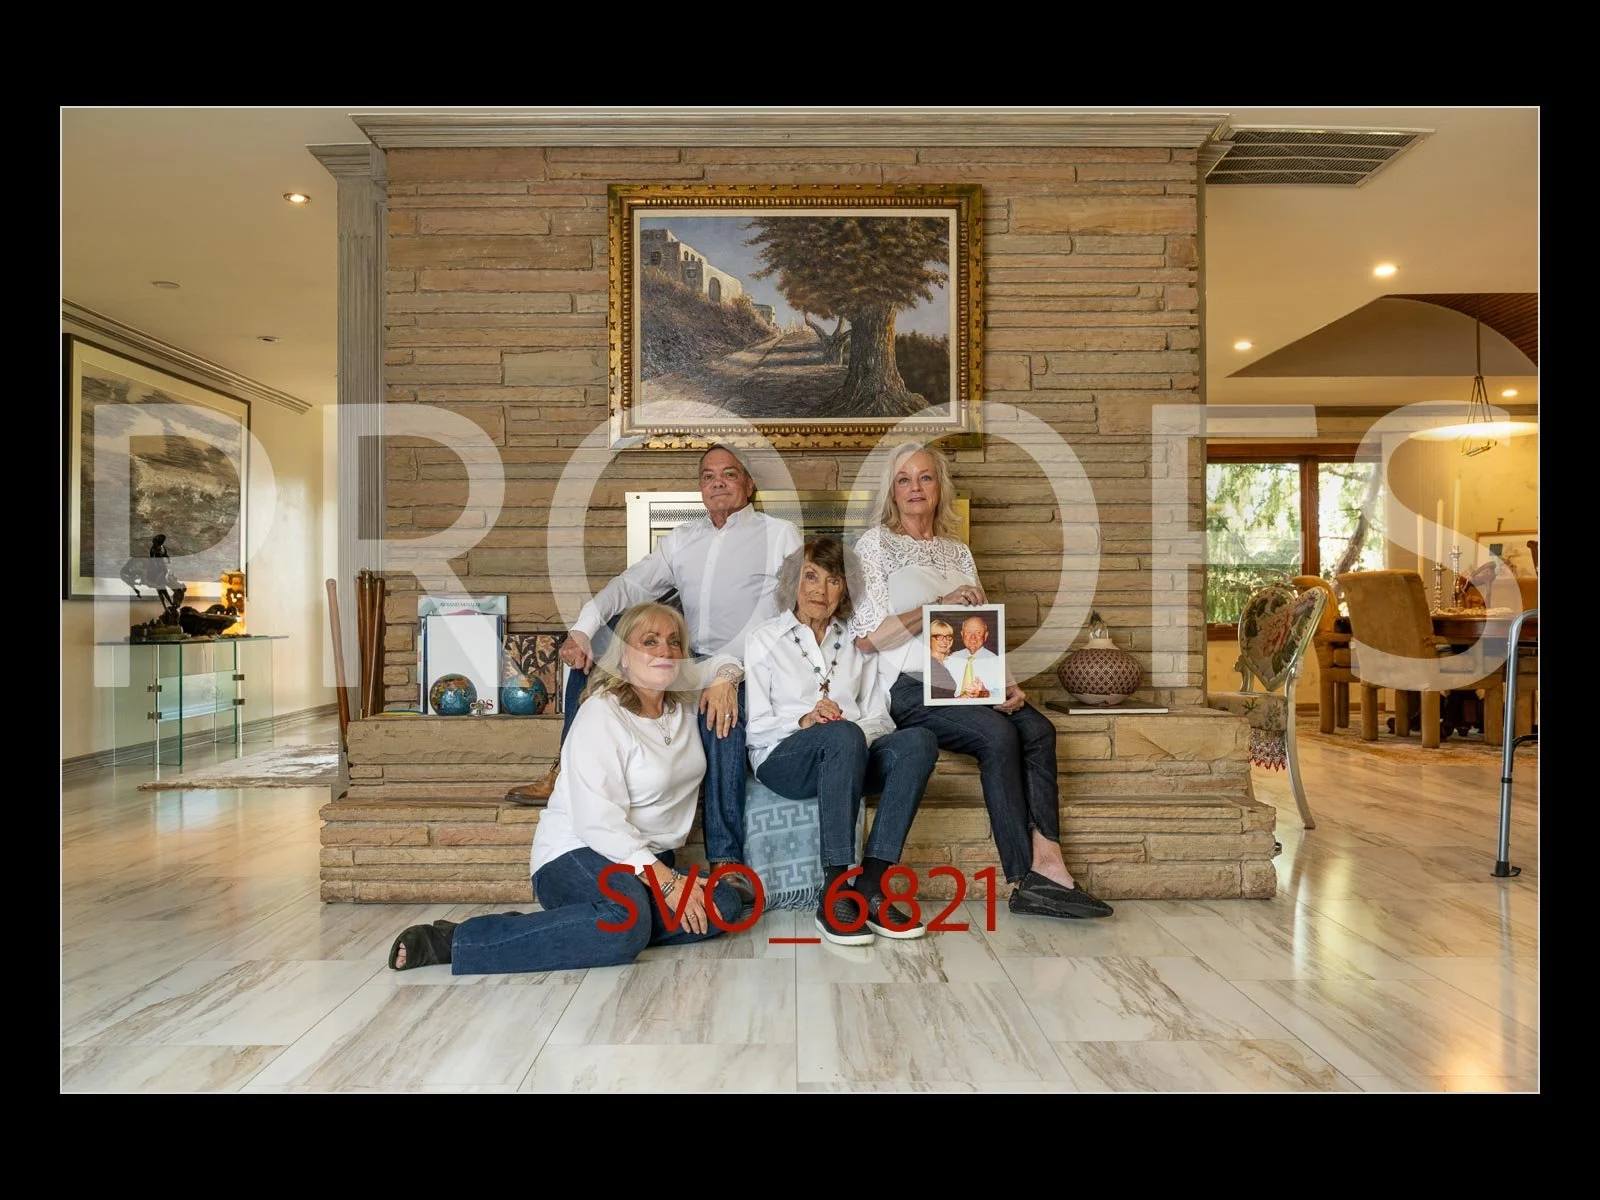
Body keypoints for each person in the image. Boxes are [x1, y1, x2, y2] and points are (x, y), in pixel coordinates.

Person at [506, 445, 802, 904]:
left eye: (729, 474)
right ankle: (564, 768)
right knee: (601, 642)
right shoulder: (682, 539)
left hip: (749, 663)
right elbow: (631, 585)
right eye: (708, 475)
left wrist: (728, 673)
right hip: (683, 659)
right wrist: (582, 628)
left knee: (722, 716)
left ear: (748, 484)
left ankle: (726, 860)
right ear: (700, 487)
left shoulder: (780, 535)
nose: (718, 482)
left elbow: (782, 616)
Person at [388, 602, 745, 972]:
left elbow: (728, 661)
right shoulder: (602, 713)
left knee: (723, 903)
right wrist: (666, 883)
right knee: (624, 921)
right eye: (650, 641)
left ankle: (569, 925)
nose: (665, 651)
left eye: (674, 642)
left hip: (647, 862)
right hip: (577, 852)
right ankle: (454, 940)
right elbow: (597, 822)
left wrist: (724, 682)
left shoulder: (684, 701)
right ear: (624, 657)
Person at [849, 441, 1113, 921]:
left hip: (965, 678)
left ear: (939, 486)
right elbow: (868, 640)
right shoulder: (875, 545)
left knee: (1038, 729)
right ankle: (1023, 880)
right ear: (891, 490)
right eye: (904, 479)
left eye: (925, 477)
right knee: (996, 735)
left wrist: (1006, 682)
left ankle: (1050, 864)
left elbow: (983, 630)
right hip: (908, 686)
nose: (914, 488)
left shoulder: (958, 552)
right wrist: (937, 606)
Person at [744, 537, 940, 945]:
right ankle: (834, 891)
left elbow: (879, 717)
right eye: (811, 577)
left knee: (918, 741)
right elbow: (757, 728)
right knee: (840, 734)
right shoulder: (764, 639)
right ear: (793, 583)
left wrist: (848, 737)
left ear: (844, 592)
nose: (821, 589)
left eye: (834, 581)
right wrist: (807, 720)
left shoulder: (856, 642)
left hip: (850, 752)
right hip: (784, 759)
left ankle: (870, 886)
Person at [946, 614, 1005, 699]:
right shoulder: (950, 659)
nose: (973, 637)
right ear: (962, 634)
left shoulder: (997, 662)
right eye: (968, 632)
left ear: (985, 635)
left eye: (978, 633)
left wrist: (985, 694)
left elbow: (1003, 695)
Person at [927, 618, 959, 700]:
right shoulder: (928, 664)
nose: (945, 641)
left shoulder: (953, 661)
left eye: (948, 636)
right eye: (939, 636)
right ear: (929, 639)